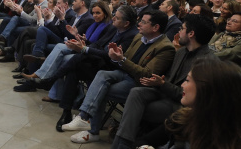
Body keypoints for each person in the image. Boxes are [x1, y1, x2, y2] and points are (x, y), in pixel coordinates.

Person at [62, 10, 175, 144]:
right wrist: (116, 56)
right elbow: (125, 57)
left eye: (144, 22)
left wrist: (121, 59)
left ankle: (91, 129)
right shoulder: (139, 37)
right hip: (125, 73)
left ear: (156, 27)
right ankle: (84, 117)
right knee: (102, 74)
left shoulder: (165, 48)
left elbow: (147, 75)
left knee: (100, 90)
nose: (139, 24)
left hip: (139, 83)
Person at [111, 14, 217, 149]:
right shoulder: (181, 52)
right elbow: (168, 77)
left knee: (134, 110)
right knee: (136, 93)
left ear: (191, 34)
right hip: (164, 93)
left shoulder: (207, 62)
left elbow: (191, 96)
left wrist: (162, 84)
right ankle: (125, 143)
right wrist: (156, 81)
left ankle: (123, 144)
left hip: (180, 104)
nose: (179, 31)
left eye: (182, 28)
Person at [133, 58, 241, 149]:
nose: (182, 85)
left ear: (207, 90)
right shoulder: (184, 117)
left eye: (187, 80)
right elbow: (145, 140)